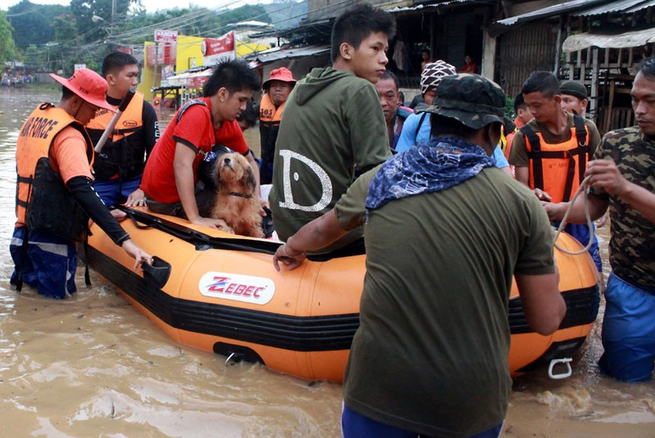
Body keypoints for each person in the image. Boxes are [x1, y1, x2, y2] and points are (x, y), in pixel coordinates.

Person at [274, 74, 566, 437]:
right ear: (493, 133)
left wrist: (289, 248)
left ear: (431, 121)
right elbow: (546, 321)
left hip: (377, 394)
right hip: (470, 404)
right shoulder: (522, 203)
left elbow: (320, 230)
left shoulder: (379, 180)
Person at [544, 57, 655, 383]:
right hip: (633, 289)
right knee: (624, 384)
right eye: (635, 99)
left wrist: (625, 188)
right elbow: (594, 208)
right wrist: (551, 211)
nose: (640, 109)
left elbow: (621, 192)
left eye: (651, 100)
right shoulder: (616, 144)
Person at [10, 68, 152, 299]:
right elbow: (82, 189)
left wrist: (103, 211)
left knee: (29, 304)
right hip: (52, 244)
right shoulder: (69, 135)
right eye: (94, 108)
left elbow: (47, 185)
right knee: (58, 313)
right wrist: (125, 241)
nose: (95, 115)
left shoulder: (37, 120)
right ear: (76, 102)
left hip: (22, 235)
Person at [268, 3, 395, 253]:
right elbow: (379, 175)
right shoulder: (360, 90)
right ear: (346, 50)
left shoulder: (302, 88)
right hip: (326, 237)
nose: (385, 58)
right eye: (375, 48)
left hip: (284, 226)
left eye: (386, 50)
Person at [140, 59, 263, 230]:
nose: (244, 107)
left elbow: (250, 163)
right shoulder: (196, 113)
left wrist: (255, 200)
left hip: (195, 187)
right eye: (241, 100)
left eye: (247, 101)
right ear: (222, 94)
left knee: (239, 196)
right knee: (230, 200)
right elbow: (182, 164)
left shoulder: (229, 122)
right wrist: (195, 218)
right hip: (165, 199)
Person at [509, 71, 603, 272]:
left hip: (579, 216)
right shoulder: (523, 137)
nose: (532, 111)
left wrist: (601, 207)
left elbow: (599, 174)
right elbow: (521, 184)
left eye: (537, 105)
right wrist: (531, 195)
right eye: (528, 105)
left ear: (557, 100)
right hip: (543, 218)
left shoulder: (586, 131)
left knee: (590, 270)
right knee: (549, 272)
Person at [396, 61, 512, 175]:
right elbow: (400, 162)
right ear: (423, 95)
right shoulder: (415, 122)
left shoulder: (474, 125)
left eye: (446, 98)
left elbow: (502, 167)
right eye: (433, 95)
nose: (439, 103)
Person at [86, 51, 160, 208]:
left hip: (134, 184)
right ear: (111, 79)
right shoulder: (89, 109)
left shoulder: (145, 109)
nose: (135, 81)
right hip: (100, 184)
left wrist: (143, 188)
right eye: (130, 76)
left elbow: (155, 154)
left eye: (136, 75)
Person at [257, 67, 296, 184]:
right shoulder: (260, 108)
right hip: (266, 163)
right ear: (268, 90)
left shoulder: (298, 110)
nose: (278, 89)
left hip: (288, 164)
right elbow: (241, 121)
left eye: (283, 86)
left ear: (291, 89)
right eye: (274, 86)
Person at [375, 70, 412, 151]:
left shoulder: (411, 121)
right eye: (377, 96)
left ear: (398, 97)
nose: (383, 103)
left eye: (389, 96)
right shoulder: (360, 122)